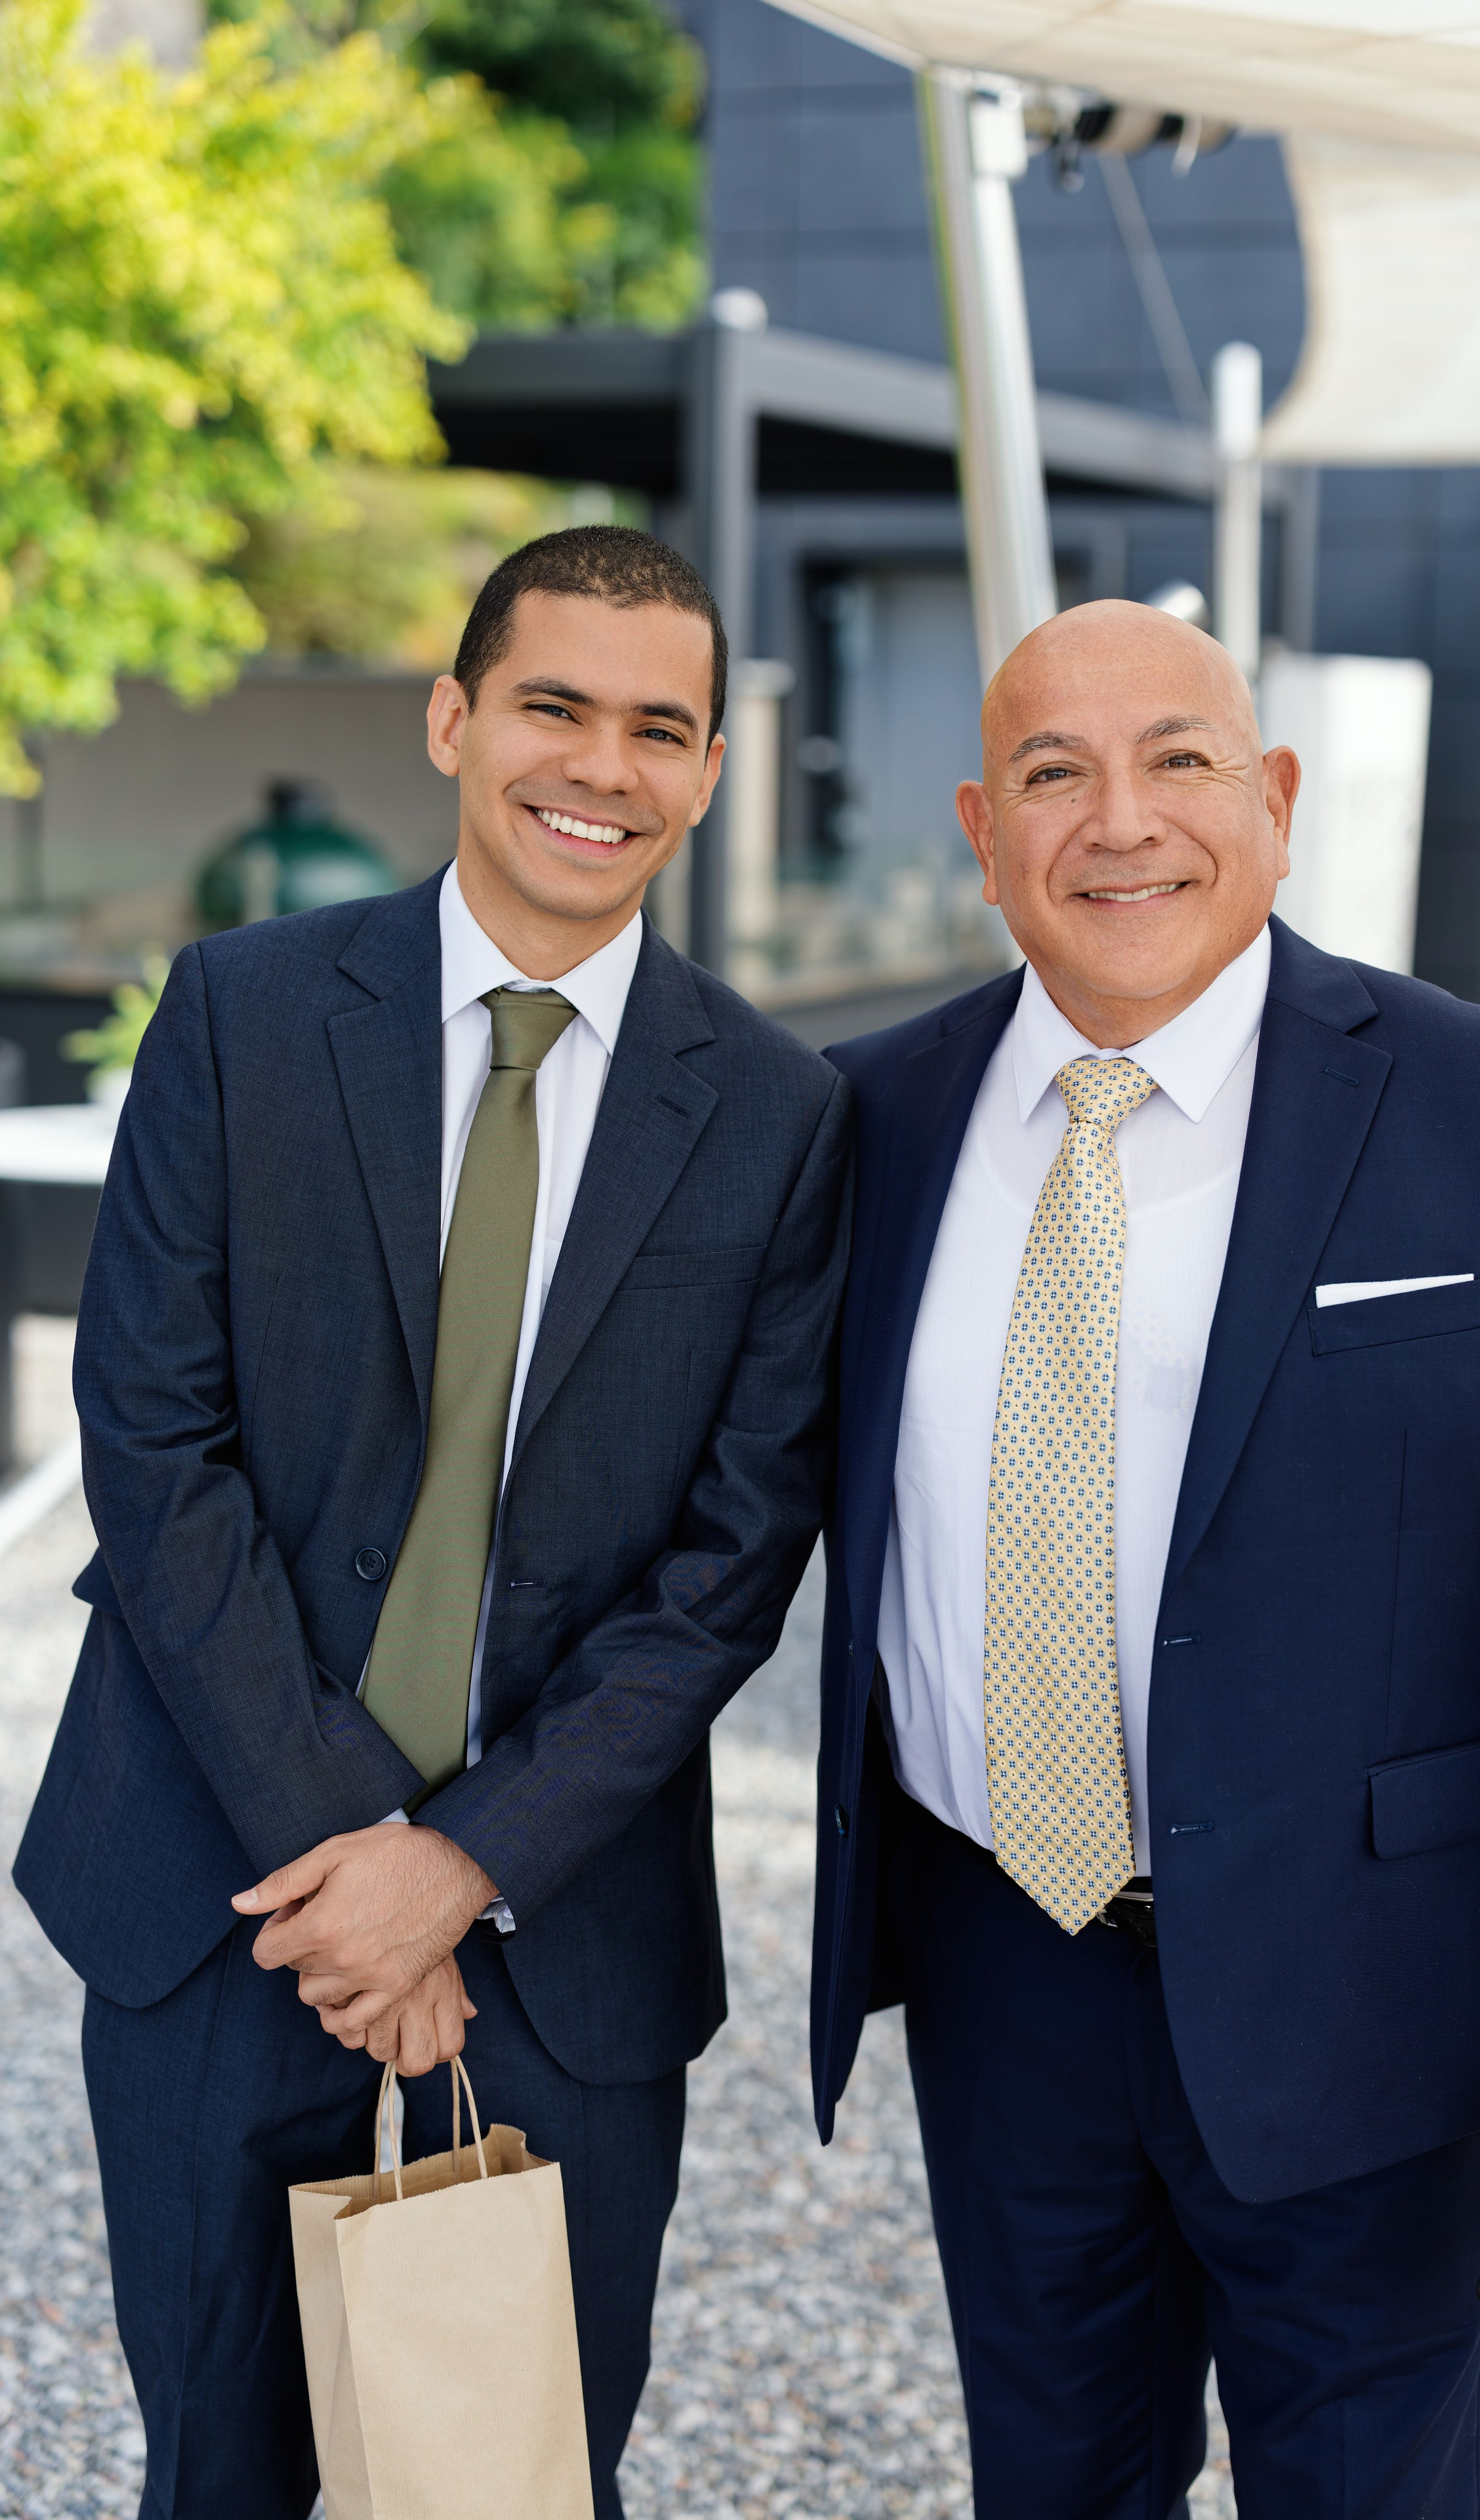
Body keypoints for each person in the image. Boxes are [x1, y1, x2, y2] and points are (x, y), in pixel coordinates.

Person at [16, 525, 852, 2520]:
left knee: (513, 2473)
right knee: (215, 2463)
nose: (605, 765)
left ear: (715, 767)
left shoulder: (778, 1110)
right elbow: (151, 1444)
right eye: (556, 704)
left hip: (563, 1920)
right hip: (221, 1876)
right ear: (453, 718)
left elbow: (732, 1560)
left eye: (664, 727)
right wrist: (353, 1862)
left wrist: (463, 1866)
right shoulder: (240, 1010)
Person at [812, 597, 1480, 2517]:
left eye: (1180, 759)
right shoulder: (870, 1118)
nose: (1120, 820)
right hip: (1002, 1971)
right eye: (1055, 773)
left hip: (1372, 1998)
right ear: (981, 828)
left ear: (1275, 800)